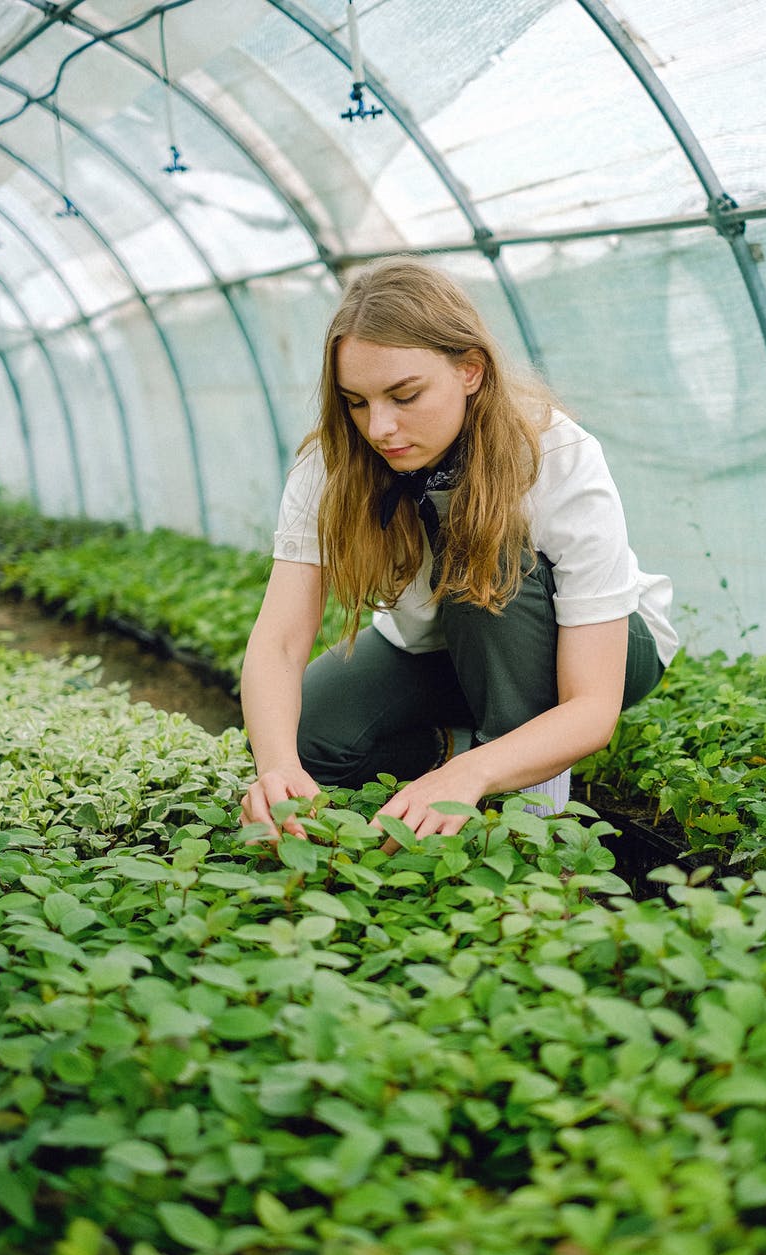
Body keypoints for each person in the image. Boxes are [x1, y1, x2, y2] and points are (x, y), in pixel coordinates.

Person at [240, 257, 677, 845]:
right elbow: (280, 643)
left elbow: (592, 704)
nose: (380, 428)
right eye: (357, 401)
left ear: (470, 370)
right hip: (440, 649)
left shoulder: (551, 455)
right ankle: (461, 741)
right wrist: (278, 770)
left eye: (405, 395)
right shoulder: (332, 465)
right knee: (307, 734)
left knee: (487, 561)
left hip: (595, 648)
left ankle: (536, 825)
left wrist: (468, 777)